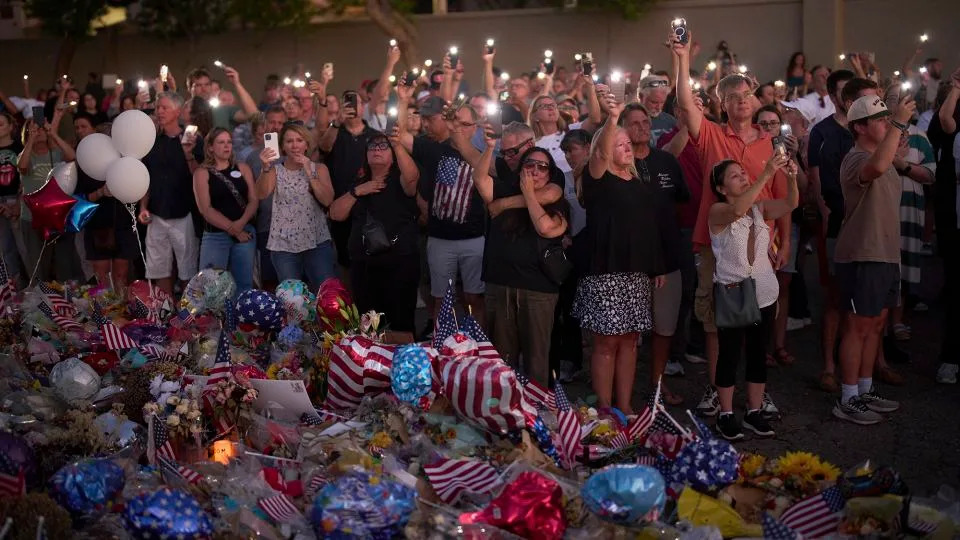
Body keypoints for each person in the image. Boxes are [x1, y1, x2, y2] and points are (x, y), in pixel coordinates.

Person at [673, 31, 788, 420]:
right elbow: (686, 103)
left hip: (761, 246)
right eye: (733, 97)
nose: (742, 102)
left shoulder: (767, 143)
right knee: (716, 323)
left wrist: (784, 238)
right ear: (723, 105)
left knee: (757, 326)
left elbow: (778, 194)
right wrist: (682, 55)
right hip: (716, 244)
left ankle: (755, 397)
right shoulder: (709, 134)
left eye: (746, 95)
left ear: (756, 100)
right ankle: (717, 388)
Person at [571, 96, 666, 414]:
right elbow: (598, 151)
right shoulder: (599, 179)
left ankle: (625, 408)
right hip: (605, 272)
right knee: (606, 343)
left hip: (635, 272)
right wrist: (612, 119)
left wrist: (656, 267)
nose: (626, 147)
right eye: (619, 142)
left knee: (629, 341)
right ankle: (605, 409)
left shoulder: (638, 183)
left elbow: (650, 229)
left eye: (629, 143)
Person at [831, 93, 916, 425]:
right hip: (862, 253)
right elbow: (877, 167)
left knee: (876, 326)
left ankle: (864, 389)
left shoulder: (885, 155)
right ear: (860, 127)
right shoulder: (855, 159)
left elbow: (889, 161)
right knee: (857, 326)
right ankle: (848, 396)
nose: (885, 123)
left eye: (886, 119)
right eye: (880, 120)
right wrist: (898, 123)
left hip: (884, 254)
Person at [708, 154, 798, 440]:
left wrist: (791, 177)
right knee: (730, 354)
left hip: (764, 291)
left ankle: (754, 411)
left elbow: (790, 204)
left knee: (759, 354)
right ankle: (725, 413)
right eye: (735, 176)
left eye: (743, 173)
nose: (743, 177)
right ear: (721, 188)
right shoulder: (719, 210)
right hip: (733, 292)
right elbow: (737, 210)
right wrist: (765, 174)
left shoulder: (758, 207)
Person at [473, 123, 567, 385]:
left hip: (537, 290)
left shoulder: (556, 198)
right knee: (502, 360)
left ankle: (538, 414)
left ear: (550, 173)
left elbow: (545, 228)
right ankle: (505, 411)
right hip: (500, 284)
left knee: (537, 360)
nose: (535, 170)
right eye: (530, 165)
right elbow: (480, 179)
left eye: (542, 167)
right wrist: (490, 147)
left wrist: (525, 193)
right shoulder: (505, 187)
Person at [396, 82, 487, 328]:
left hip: (474, 238)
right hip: (440, 238)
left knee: (474, 298)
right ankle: (442, 349)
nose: (459, 127)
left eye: (465, 124)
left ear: (475, 127)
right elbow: (400, 135)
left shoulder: (485, 153)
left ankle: (476, 348)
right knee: (441, 300)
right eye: (455, 121)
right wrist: (403, 100)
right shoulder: (434, 149)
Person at [620, 103, 689, 403]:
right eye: (634, 123)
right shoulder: (617, 166)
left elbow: (681, 200)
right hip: (629, 262)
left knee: (664, 328)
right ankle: (625, 388)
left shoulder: (667, 161)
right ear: (622, 128)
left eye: (645, 122)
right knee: (629, 331)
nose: (642, 127)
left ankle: (657, 388)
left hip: (668, 256)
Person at [329, 131, 420, 333]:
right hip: (364, 267)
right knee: (368, 328)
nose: (376, 150)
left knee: (400, 327)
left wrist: (397, 144)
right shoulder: (359, 182)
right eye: (372, 147)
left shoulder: (400, 178)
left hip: (399, 264)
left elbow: (413, 178)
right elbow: (335, 214)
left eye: (382, 146)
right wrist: (357, 191)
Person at [882, 83, 937, 342]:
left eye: (902, 98)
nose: (897, 103)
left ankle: (897, 320)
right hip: (882, 211)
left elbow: (929, 174)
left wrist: (902, 165)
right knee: (883, 266)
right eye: (892, 98)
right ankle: (879, 322)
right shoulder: (879, 133)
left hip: (908, 208)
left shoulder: (918, 136)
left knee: (902, 267)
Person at [255, 123, 334, 290]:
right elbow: (261, 194)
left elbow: (327, 200)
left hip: (316, 242)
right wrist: (265, 167)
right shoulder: (275, 170)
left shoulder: (319, 168)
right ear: (282, 146)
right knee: (292, 302)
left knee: (326, 294)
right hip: (284, 245)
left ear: (307, 144)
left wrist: (309, 171)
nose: (295, 145)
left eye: (299, 140)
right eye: (289, 141)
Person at [140, 92, 203, 297]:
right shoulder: (150, 140)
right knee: (159, 269)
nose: (159, 111)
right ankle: (165, 313)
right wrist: (143, 207)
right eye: (158, 107)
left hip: (183, 212)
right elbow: (146, 178)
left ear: (177, 111)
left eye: (164, 107)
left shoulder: (191, 137)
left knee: (187, 270)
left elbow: (201, 176)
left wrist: (188, 155)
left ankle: (187, 314)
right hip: (156, 213)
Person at [317, 87, 381, 277]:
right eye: (347, 102)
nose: (352, 107)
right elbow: (323, 147)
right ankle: (349, 303)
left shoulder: (375, 135)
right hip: (341, 206)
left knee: (374, 259)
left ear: (363, 107)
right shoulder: (335, 132)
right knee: (345, 261)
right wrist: (337, 122)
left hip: (371, 208)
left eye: (356, 103)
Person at [73, 113, 137, 291]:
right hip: (97, 224)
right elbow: (80, 199)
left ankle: (122, 314)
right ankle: (105, 315)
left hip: (123, 222)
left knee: (120, 276)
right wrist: (101, 192)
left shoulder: (127, 160)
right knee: (103, 280)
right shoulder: (86, 164)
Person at [193, 128, 257, 293]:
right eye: (221, 142)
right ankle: (214, 319)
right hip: (215, 235)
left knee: (243, 285)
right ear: (210, 148)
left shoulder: (242, 167)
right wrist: (233, 229)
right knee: (209, 287)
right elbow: (205, 209)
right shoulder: (202, 173)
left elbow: (253, 200)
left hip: (245, 232)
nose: (226, 146)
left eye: (229, 142)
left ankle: (241, 318)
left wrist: (241, 224)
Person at [17, 111, 78, 282]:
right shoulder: (25, 155)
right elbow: (22, 167)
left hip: (56, 217)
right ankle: (38, 298)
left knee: (61, 263)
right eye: (33, 129)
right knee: (37, 264)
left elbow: (72, 156)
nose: (39, 132)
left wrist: (53, 133)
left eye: (41, 129)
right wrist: (31, 138)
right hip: (31, 218)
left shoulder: (56, 153)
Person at [930, 70, 960, 384]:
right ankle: (951, 357)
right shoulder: (953, 127)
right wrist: (957, 89)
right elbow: (946, 121)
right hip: (955, 218)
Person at [244, 106, 285, 290]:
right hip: (266, 227)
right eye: (272, 122)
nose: (276, 126)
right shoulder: (253, 157)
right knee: (269, 281)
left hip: (294, 228)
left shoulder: (296, 152)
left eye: (280, 123)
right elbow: (249, 194)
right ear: (264, 124)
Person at [0, 113, 23, 284]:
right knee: (5, 249)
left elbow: (26, 177)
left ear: (10, 127)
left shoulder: (19, 148)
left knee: (24, 247)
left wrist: (18, 203)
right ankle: (11, 289)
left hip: (18, 200)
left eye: (1, 124)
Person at [638, 77, 677, 146]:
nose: (659, 108)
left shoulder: (671, 121)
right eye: (654, 102)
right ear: (641, 97)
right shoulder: (628, 120)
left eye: (662, 102)